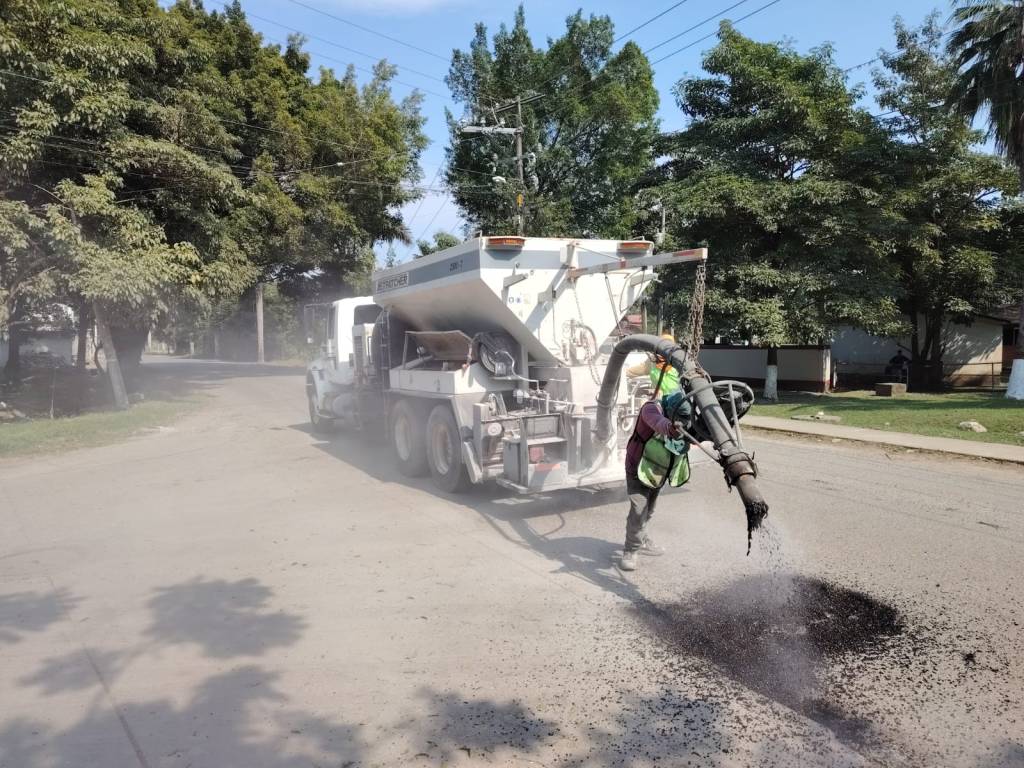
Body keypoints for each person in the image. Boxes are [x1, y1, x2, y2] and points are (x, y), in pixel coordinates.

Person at [619, 366, 689, 572]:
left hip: (658, 468)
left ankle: (642, 537)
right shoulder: (651, 408)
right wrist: (671, 429)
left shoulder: (680, 409)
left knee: (649, 509)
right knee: (639, 508)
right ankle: (631, 549)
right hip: (638, 465)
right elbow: (658, 423)